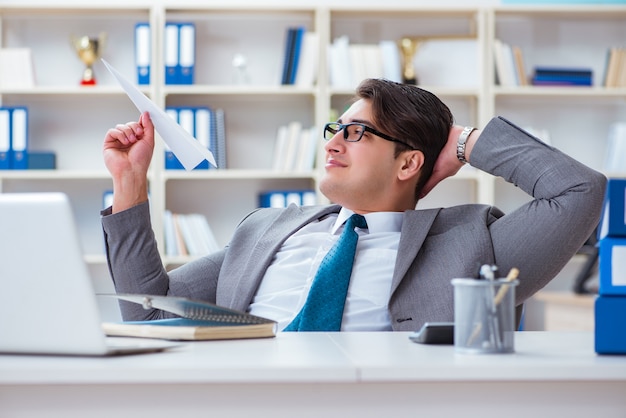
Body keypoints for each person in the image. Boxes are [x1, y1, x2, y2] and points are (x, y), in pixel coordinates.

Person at [101, 78, 606, 332]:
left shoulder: (472, 242)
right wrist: (130, 183)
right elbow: (149, 313)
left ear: (408, 164)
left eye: (357, 132)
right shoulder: (267, 229)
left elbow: (579, 191)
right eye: (334, 130)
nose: (333, 143)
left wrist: (463, 141)